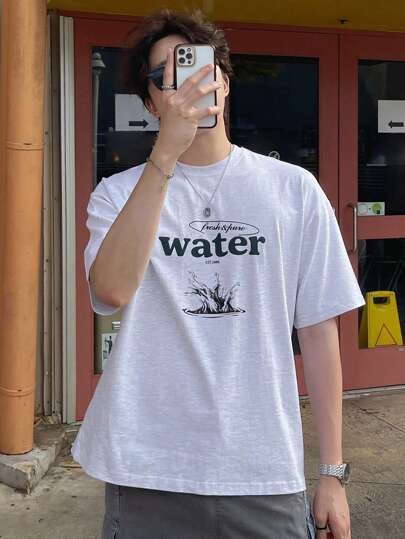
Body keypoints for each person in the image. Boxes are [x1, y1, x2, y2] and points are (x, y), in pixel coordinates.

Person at [71, 8, 365, 539]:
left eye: (195, 68)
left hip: (262, 468)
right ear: (149, 103)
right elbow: (110, 291)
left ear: (224, 83)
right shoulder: (117, 195)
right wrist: (166, 154)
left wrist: (332, 473)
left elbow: (320, 331)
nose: (183, 86)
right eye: (164, 77)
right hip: (146, 466)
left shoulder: (293, 190)